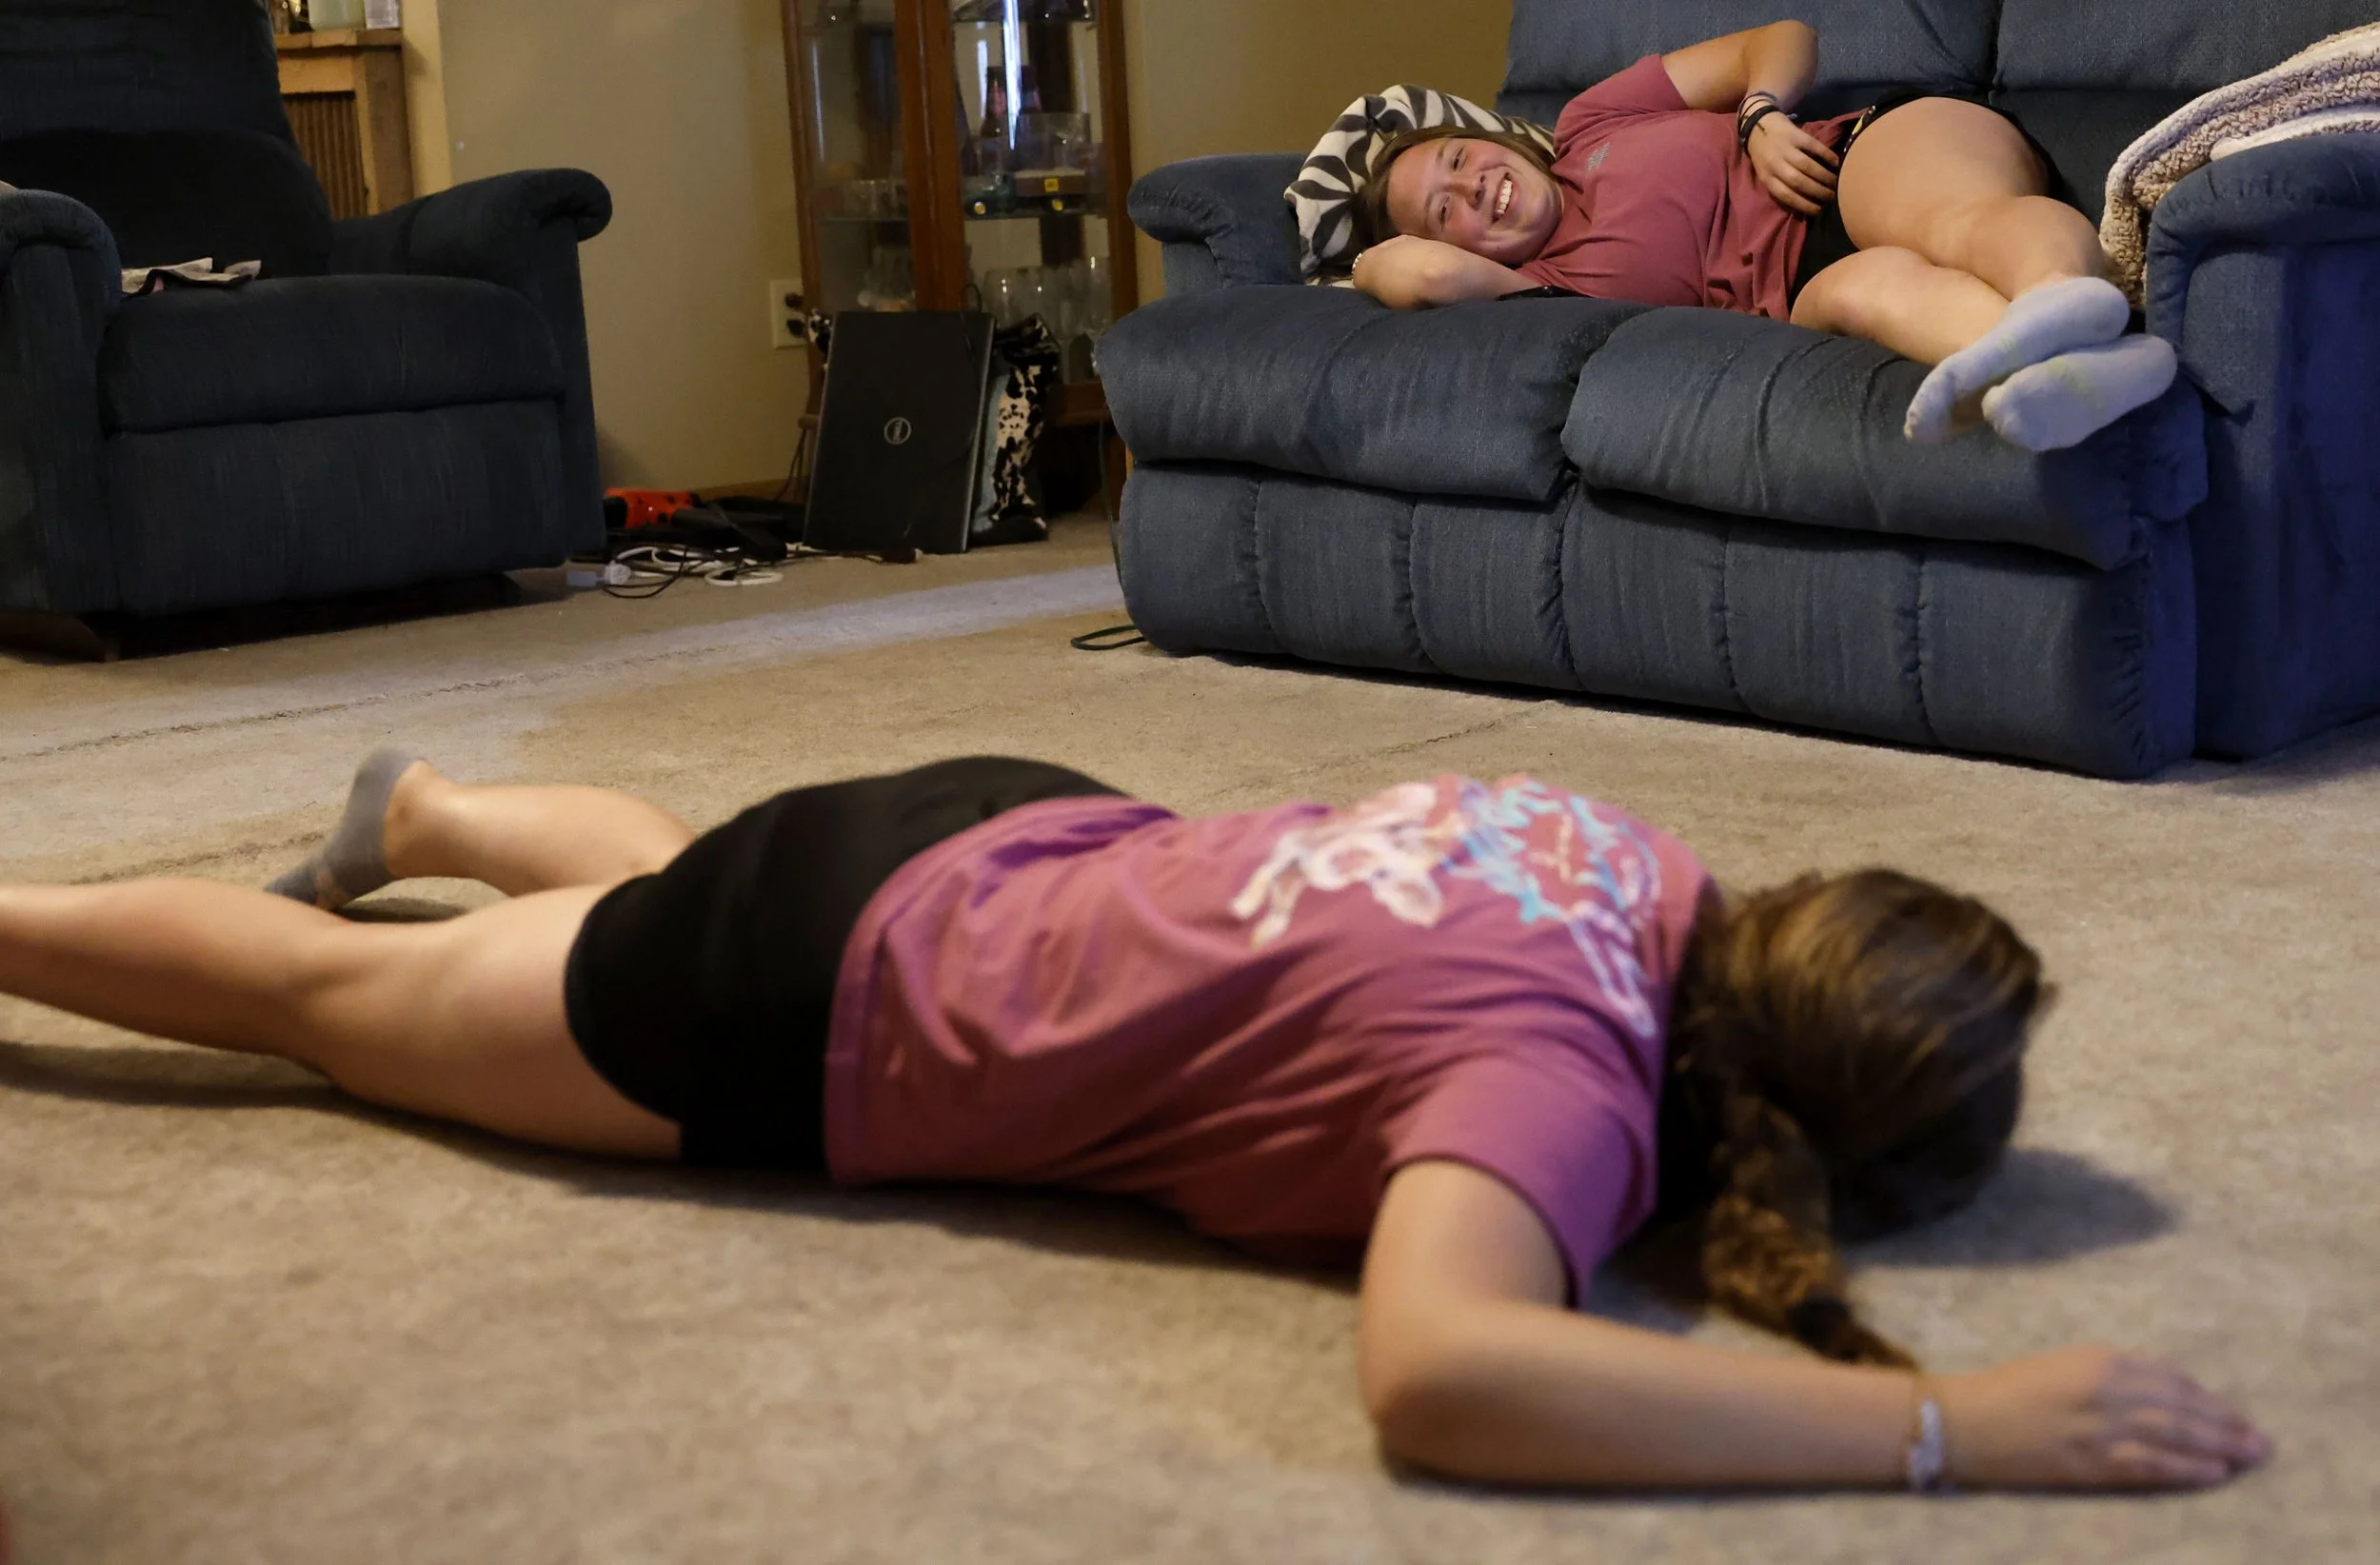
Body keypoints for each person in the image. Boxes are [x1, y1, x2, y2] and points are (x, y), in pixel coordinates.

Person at [0, 749, 2270, 1494]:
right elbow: (1444, 1370)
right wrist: (1942, 1423)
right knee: (320, 998)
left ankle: (432, 799)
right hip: (808, 993)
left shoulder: (1621, 843)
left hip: (991, 824)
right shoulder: (1544, 1097)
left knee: (662, 871)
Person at [1349, 20, 2178, 453]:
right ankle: (2075, 370)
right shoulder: (1544, 293)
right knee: (1865, 289)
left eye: (1460, 158)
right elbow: (1408, 275)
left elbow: (1781, 38)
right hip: (1798, 295)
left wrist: (1759, 113)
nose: (1472, 187)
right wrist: (1366, 253)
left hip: (1849, 160)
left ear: (1495, 139)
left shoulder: (1590, 120)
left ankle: (2068, 304)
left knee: (1946, 219)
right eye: (1445, 210)